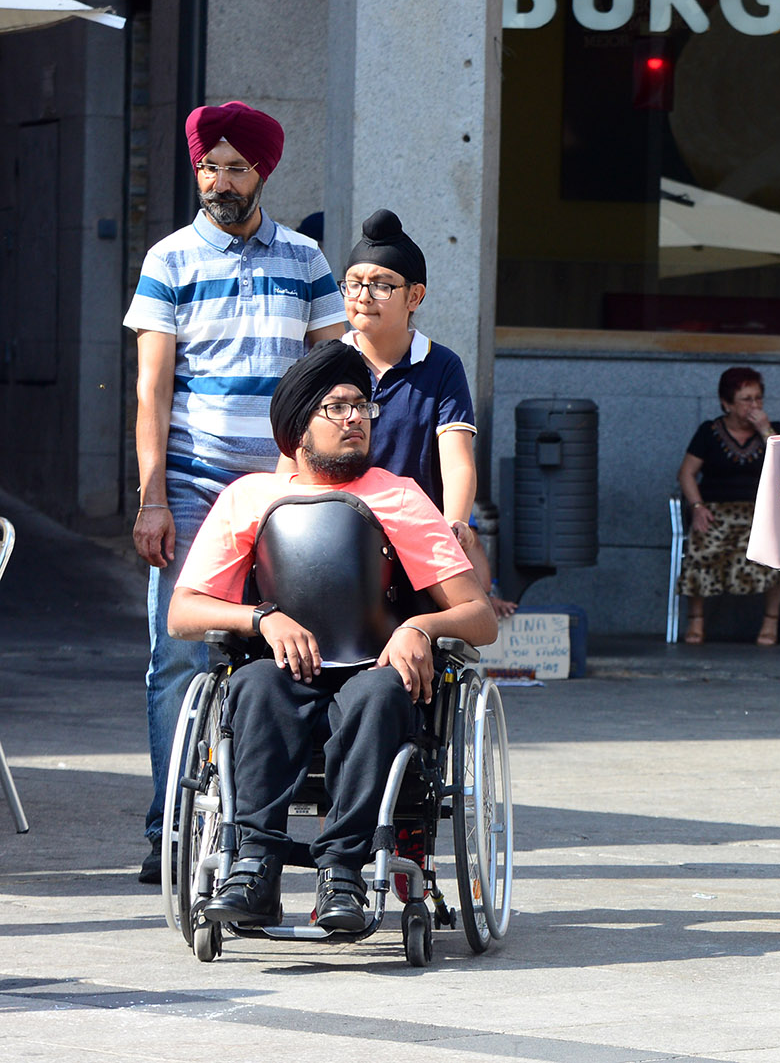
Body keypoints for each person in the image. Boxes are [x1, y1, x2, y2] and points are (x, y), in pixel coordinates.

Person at [166, 341, 497, 931]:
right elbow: (184, 611)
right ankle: (254, 868)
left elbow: (479, 616)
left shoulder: (400, 497)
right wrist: (260, 618)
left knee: (378, 695)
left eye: (362, 408)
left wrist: (420, 626)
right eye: (337, 409)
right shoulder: (249, 497)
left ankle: (343, 871)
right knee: (253, 686)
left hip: (375, 668)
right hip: (284, 668)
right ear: (298, 429)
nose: (355, 421)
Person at [124, 101, 347, 883]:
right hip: (191, 487)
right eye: (208, 167)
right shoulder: (170, 259)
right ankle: (169, 830)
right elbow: (152, 389)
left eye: (234, 168)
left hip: (285, 492)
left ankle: (264, 825)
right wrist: (152, 497)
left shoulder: (308, 262)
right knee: (178, 657)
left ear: (263, 173)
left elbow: (331, 378)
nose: (219, 181)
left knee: (295, 652)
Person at [335, 209, 509, 610]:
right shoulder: (329, 360)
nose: (363, 297)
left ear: (415, 296)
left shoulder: (442, 365)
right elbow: (296, 453)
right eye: (354, 284)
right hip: (339, 535)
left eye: (381, 286)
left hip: (415, 540)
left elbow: (458, 459)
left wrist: (456, 522)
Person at [674, 367, 780, 644]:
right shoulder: (709, 432)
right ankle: (696, 620)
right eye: (746, 399)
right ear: (727, 404)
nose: (754, 405)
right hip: (716, 511)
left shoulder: (775, 432)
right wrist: (697, 506)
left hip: (761, 513)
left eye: (758, 398)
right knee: (702, 545)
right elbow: (686, 473)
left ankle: (771, 621)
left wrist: (765, 431)